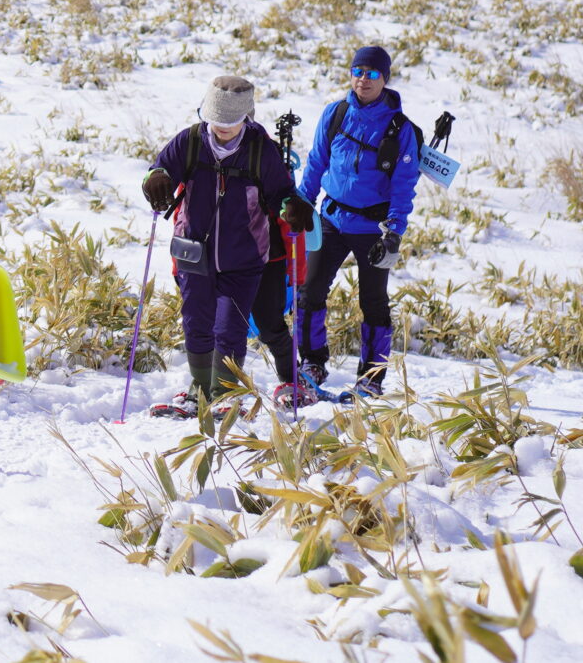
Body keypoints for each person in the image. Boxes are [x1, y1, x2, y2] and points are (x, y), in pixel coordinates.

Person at [141, 75, 312, 419]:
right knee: (196, 324)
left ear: (246, 116)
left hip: (244, 256)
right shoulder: (189, 141)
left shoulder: (261, 149)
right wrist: (155, 179)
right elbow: (161, 169)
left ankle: (223, 393)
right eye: (216, 120)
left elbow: (281, 192)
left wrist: (290, 206)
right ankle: (199, 388)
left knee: (228, 329)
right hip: (193, 251)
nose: (221, 128)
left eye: (230, 122)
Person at [294, 45, 422, 397]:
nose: (364, 79)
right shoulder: (335, 113)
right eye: (358, 71)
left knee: (374, 303)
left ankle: (371, 379)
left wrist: (395, 231)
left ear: (385, 79)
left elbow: (403, 184)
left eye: (373, 73)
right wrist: (303, 203)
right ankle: (312, 362)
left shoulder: (400, 129)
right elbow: (317, 161)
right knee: (310, 292)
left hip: (373, 229)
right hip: (331, 220)